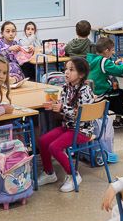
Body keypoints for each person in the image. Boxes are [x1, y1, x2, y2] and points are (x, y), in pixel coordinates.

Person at [36, 57, 95, 192]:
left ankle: (74, 175)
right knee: (43, 141)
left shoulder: (85, 90)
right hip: (68, 126)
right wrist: (55, 105)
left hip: (82, 130)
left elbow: (80, 115)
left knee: (54, 147)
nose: (66, 72)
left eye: (71, 70)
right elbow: (64, 106)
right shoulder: (65, 87)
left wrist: (62, 108)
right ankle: (49, 173)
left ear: (81, 74)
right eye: (66, 69)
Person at [87, 36, 123, 126]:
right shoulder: (104, 61)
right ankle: (121, 116)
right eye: (112, 50)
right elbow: (118, 71)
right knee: (121, 93)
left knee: (116, 92)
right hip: (100, 93)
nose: (113, 52)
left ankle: (122, 114)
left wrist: (113, 64)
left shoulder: (91, 58)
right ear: (106, 51)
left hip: (91, 93)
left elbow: (102, 68)